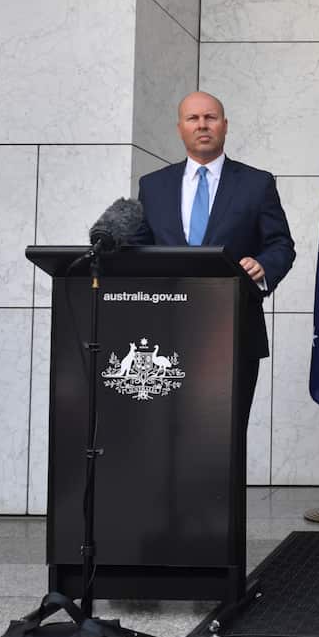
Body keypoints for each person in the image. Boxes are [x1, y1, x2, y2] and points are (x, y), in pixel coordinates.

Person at [132, 91, 295, 423]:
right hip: (166, 330)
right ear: (180, 128)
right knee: (168, 430)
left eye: (210, 117)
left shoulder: (256, 183)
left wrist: (264, 265)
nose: (202, 125)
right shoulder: (153, 186)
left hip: (235, 331)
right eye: (193, 118)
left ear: (225, 126)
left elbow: (281, 244)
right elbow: (138, 248)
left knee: (225, 431)